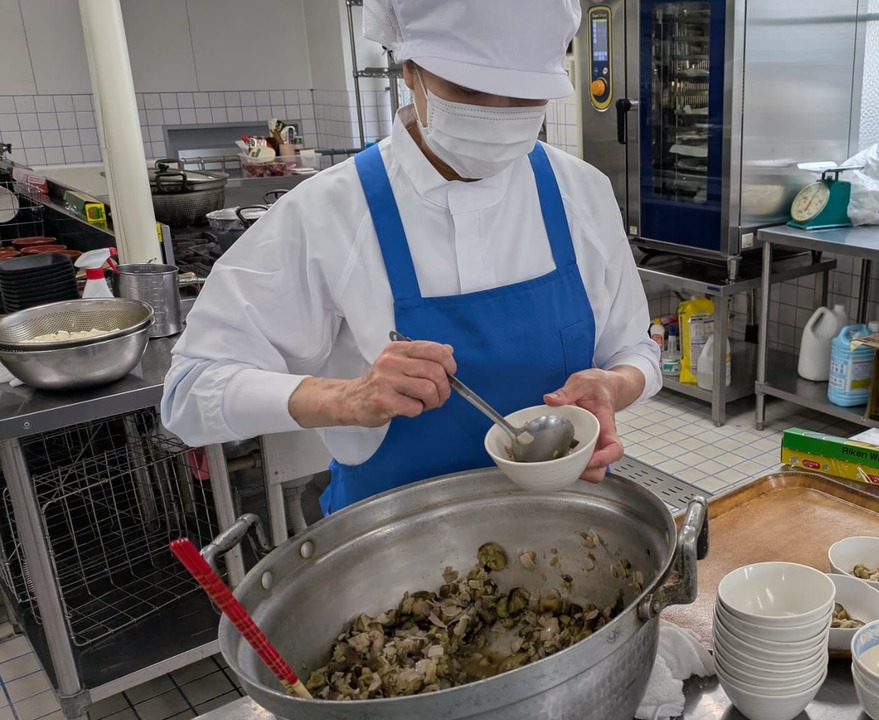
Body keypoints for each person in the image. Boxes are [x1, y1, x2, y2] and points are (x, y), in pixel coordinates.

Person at [161, 0, 660, 514]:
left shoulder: (583, 192)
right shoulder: (329, 209)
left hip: (569, 524)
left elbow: (635, 350)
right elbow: (189, 392)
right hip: (396, 547)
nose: (499, 112)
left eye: (526, 94)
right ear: (409, 71)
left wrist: (614, 386)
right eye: (468, 89)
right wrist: (346, 398)